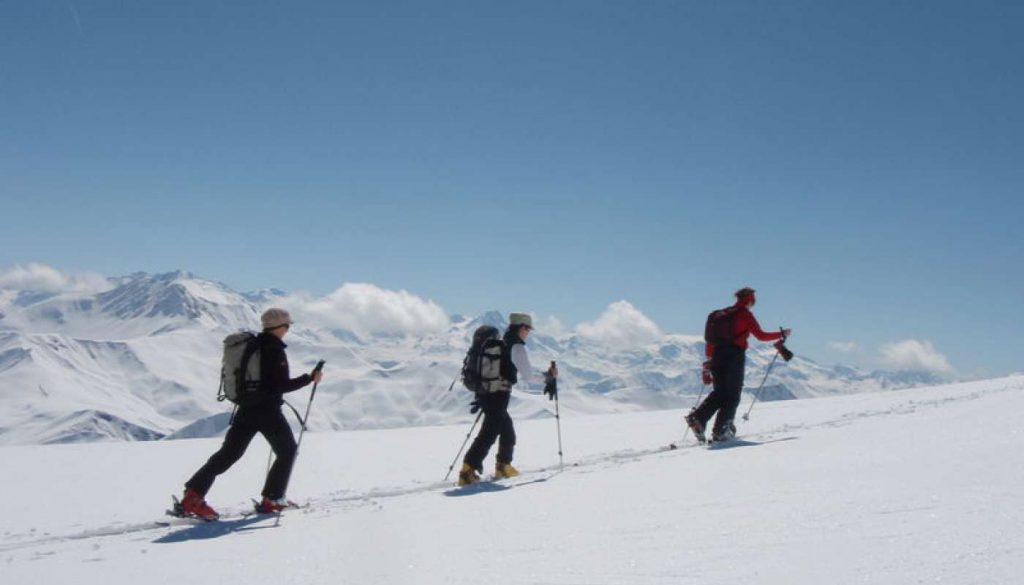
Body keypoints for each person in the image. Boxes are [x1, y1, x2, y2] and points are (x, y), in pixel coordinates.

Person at [179, 308, 324, 519]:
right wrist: (309, 378)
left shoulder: (253, 345)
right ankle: (272, 499)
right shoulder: (273, 349)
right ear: (281, 327)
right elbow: (279, 385)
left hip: (246, 408)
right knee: (288, 452)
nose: (288, 329)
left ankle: (192, 496)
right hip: (267, 411)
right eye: (288, 325)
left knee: (228, 455)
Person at [458, 313, 557, 486]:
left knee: (506, 431)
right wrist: (547, 377)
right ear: (520, 327)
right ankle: (467, 471)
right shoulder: (516, 347)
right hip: (498, 394)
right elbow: (527, 376)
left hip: (486, 392)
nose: (528, 332)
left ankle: (503, 466)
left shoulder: (502, 342)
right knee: (489, 433)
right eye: (527, 328)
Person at [686, 288, 791, 443]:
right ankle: (722, 430)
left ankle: (698, 418)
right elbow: (761, 336)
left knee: (720, 392)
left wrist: (708, 362)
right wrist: (781, 334)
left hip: (716, 356)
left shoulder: (718, 315)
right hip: (734, 356)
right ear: (750, 300)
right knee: (733, 394)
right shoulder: (744, 315)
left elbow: (710, 341)